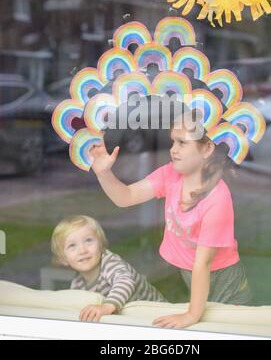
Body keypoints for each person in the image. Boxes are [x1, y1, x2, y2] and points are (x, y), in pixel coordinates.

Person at [90, 108, 252, 329]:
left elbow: (202, 263)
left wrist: (192, 315)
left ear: (207, 148)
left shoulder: (218, 197)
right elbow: (126, 197)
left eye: (182, 143)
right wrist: (104, 173)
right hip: (188, 274)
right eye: (172, 142)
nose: (173, 150)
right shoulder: (170, 174)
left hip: (224, 283)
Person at [51, 215, 167, 322]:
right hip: (131, 320)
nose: (82, 250)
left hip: (158, 315)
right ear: (63, 259)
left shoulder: (110, 262)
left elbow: (125, 281)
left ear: (101, 245)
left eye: (88, 240)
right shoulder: (78, 284)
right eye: (72, 245)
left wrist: (107, 306)